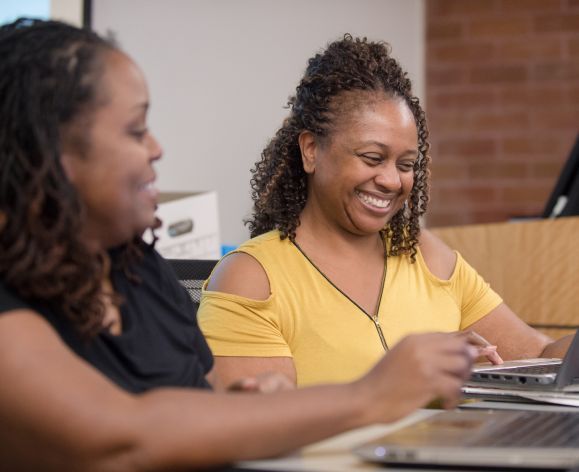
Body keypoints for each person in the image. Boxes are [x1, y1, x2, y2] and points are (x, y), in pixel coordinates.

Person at [0, 19, 487, 470]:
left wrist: (254, 405)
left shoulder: (137, 269)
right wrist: (371, 395)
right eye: (135, 129)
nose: (156, 148)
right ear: (51, 150)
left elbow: (198, 409)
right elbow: (121, 439)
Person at [197, 35, 573, 388]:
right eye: (372, 158)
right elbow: (259, 428)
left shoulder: (423, 254)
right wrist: (402, 379)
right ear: (311, 150)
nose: (393, 181)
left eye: (406, 164)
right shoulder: (252, 278)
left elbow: (540, 356)